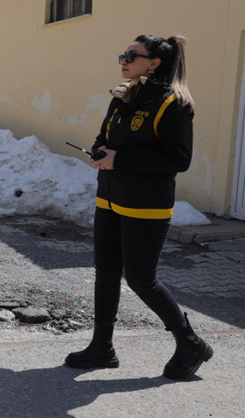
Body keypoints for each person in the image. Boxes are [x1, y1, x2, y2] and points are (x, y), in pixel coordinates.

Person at [65, 35, 211, 380]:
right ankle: (102, 347)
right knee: (106, 273)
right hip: (109, 199)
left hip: (146, 206)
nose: (123, 60)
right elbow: (105, 138)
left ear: (154, 63)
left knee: (142, 280)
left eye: (132, 56)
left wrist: (120, 159)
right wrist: (100, 153)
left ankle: (191, 343)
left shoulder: (172, 103)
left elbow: (179, 158)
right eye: (123, 54)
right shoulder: (123, 97)